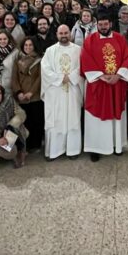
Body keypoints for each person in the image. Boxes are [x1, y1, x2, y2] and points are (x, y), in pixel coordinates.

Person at [80, 16, 128, 161]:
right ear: (97, 25)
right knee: (96, 119)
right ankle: (95, 148)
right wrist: (101, 76)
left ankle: (116, 145)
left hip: (116, 85)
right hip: (98, 86)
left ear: (110, 23)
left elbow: (127, 57)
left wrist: (119, 75)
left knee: (116, 115)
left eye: (105, 23)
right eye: (100, 24)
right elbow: (85, 59)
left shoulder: (120, 39)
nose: (103, 26)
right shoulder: (90, 40)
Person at [41, 25, 83, 160]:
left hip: (73, 89)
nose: (63, 35)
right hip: (55, 91)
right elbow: (45, 69)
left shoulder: (78, 50)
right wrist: (60, 78)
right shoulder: (50, 50)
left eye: (66, 32)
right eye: (61, 33)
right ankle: (54, 150)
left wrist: (70, 77)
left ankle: (73, 150)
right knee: (55, 119)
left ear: (70, 33)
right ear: (57, 34)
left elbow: (82, 67)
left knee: (73, 119)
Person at [11, 38, 44, 151]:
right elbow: (14, 78)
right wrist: (19, 92)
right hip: (22, 96)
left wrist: (31, 92)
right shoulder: (17, 60)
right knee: (25, 122)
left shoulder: (39, 60)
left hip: (34, 96)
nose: (28, 47)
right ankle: (27, 145)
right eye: (26, 45)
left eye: (30, 45)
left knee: (37, 121)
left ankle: (37, 144)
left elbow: (40, 78)